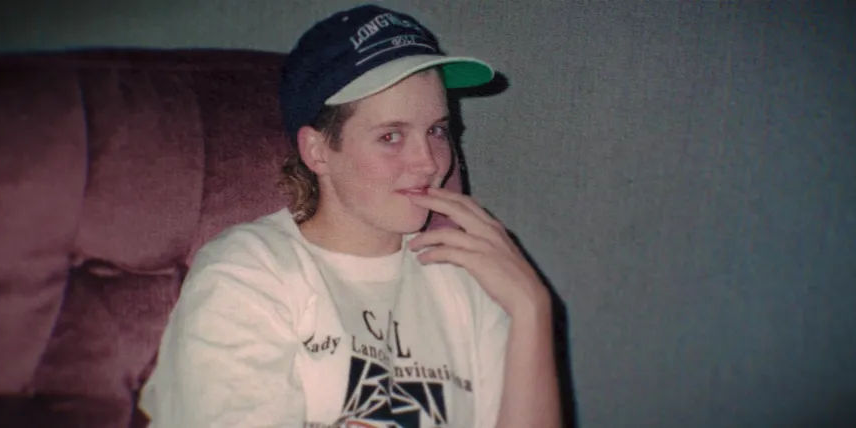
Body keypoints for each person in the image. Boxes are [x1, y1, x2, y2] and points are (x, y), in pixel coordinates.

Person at [138, 4, 560, 427]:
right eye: (391, 136)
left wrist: (531, 308)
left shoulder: (467, 279)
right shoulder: (247, 272)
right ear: (318, 151)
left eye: (436, 130)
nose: (429, 162)